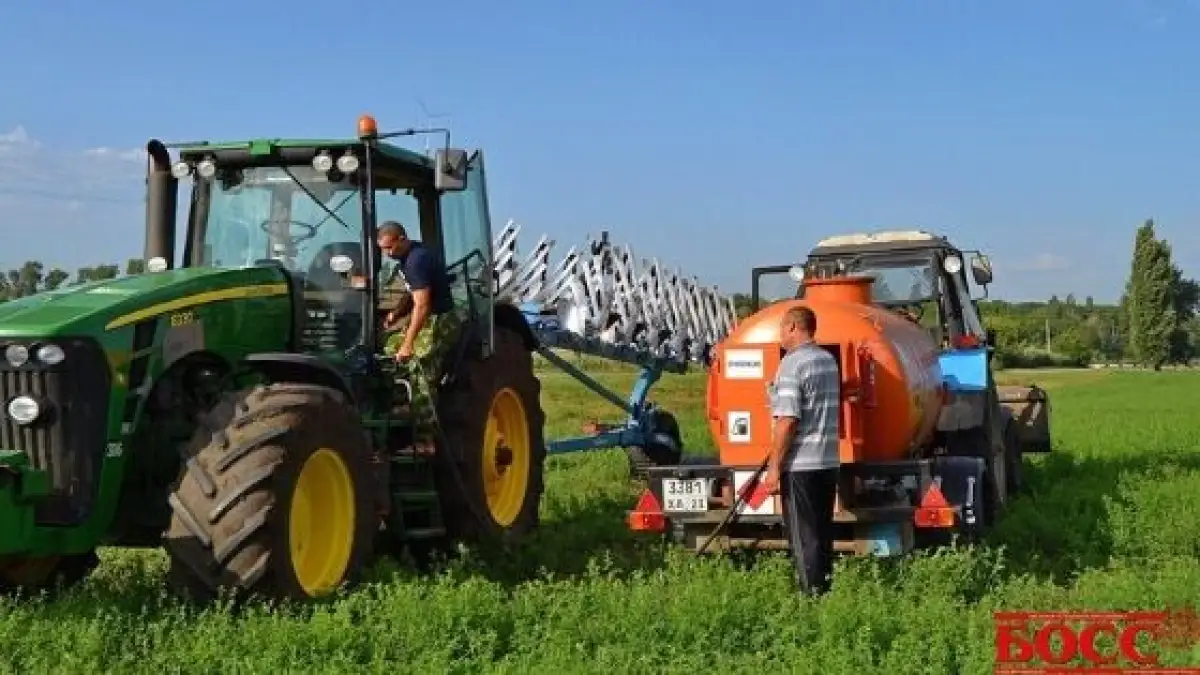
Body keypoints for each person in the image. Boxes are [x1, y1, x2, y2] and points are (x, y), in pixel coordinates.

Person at [762, 305, 841, 596]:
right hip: (828, 461)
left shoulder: (792, 364)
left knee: (803, 537)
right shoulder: (827, 360)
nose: (780, 336)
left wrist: (774, 468)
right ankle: (825, 590)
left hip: (800, 465)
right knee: (821, 532)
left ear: (794, 327)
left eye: (782, 329)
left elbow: (788, 420)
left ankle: (810, 599)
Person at [376, 221, 461, 446]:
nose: (387, 254)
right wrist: (396, 313)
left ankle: (426, 437)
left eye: (390, 247)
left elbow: (422, 304)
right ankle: (401, 406)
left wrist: (408, 343)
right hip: (427, 316)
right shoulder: (405, 258)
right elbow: (411, 291)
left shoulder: (416, 260)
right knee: (388, 350)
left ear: (402, 239)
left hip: (441, 320)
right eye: (383, 249)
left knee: (419, 366)